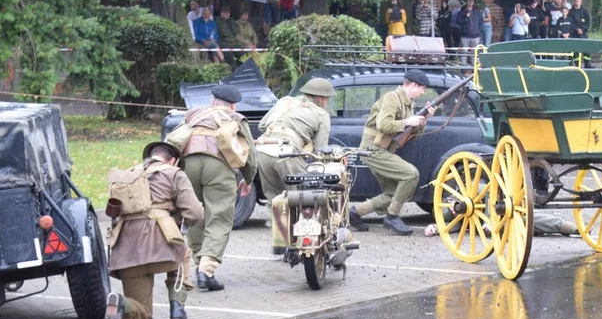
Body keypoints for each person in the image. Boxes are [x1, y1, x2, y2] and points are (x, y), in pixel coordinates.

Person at [103, 142, 204, 319]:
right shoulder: (174, 173)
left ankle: (120, 302)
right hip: (162, 242)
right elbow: (194, 212)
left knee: (141, 315)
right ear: (173, 160)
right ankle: (177, 311)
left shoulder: (128, 175)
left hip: (126, 249)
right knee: (182, 255)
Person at [170, 84, 257, 290]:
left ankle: (200, 264)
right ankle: (206, 270)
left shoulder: (195, 115)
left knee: (196, 214)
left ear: (212, 102)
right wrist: (248, 179)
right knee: (219, 216)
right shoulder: (236, 119)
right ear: (233, 106)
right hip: (219, 167)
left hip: (188, 164)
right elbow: (250, 154)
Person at [350, 70, 436, 235]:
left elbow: (413, 135)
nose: (423, 92)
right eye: (422, 88)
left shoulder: (408, 103)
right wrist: (408, 121)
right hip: (372, 149)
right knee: (411, 174)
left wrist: (423, 120)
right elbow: (384, 125)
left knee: (393, 192)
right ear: (412, 85)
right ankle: (392, 216)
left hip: (383, 149)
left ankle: (355, 213)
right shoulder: (392, 98)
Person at [255, 77, 334, 255]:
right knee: (302, 199)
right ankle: (303, 244)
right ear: (321, 98)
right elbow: (321, 148)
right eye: (327, 99)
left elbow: (262, 125)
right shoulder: (321, 114)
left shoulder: (284, 101)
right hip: (288, 153)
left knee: (276, 200)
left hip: (264, 151)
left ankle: (280, 244)